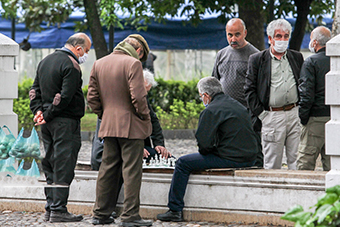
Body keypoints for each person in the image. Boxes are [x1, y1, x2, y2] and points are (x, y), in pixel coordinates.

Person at [157, 77, 258, 222]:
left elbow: (204, 145)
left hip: (231, 158)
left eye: (200, 96)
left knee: (182, 163)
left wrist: (211, 151)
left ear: (205, 95)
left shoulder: (210, 110)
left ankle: (175, 209)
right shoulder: (238, 106)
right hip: (250, 157)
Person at [87, 34, 153, 226]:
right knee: (132, 171)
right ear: (139, 51)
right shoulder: (133, 64)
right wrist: (144, 116)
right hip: (131, 126)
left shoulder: (99, 63)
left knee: (107, 170)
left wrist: (104, 114)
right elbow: (139, 98)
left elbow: (91, 98)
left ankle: (100, 214)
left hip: (108, 125)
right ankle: (130, 216)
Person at [29, 32, 92, 222]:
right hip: (65, 122)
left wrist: (38, 112)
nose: (86, 55)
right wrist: (46, 115)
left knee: (50, 163)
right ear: (78, 48)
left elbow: (34, 91)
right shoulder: (71, 65)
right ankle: (59, 209)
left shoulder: (45, 61)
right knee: (64, 164)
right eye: (87, 51)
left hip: (47, 125)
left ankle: (50, 207)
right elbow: (65, 96)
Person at [245, 19, 304, 170]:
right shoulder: (257, 59)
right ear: (270, 38)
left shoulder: (296, 57)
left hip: (294, 113)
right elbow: (249, 90)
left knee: (297, 161)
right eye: (278, 36)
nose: (282, 40)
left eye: (286, 36)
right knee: (272, 164)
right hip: (272, 116)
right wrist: (263, 115)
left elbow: (303, 84)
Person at [91, 69, 171, 171]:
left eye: (146, 92)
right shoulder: (117, 101)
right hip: (110, 151)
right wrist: (135, 148)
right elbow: (119, 131)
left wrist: (159, 144)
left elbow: (153, 120)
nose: (144, 95)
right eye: (143, 91)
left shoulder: (140, 97)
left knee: (168, 159)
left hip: (134, 148)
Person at [212, 18, 262, 167]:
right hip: (225, 112)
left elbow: (260, 87)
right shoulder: (221, 54)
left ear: (245, 33)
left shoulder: (255, 56)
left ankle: (257, 170)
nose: (233, 39)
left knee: (252, 147)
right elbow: (215, 81)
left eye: (237, 34)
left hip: (247, 112)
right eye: (229, 35)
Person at [297, 26, 331, 171]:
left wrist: (303, 118)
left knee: (305, 164)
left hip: (315, 119)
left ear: (315, 42)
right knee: (333, 166)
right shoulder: (336, 61)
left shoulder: (311, 62)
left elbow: (306, 93)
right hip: (334, 118)